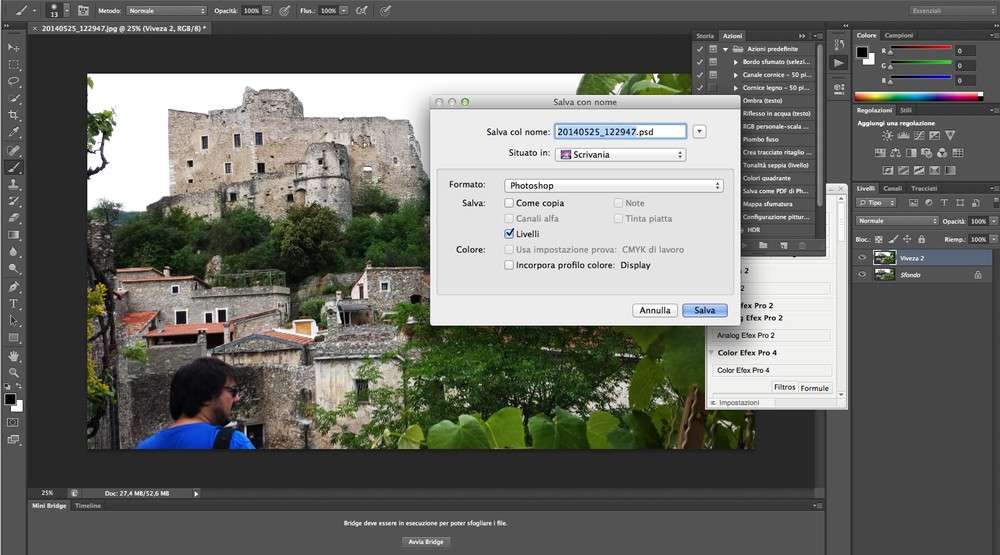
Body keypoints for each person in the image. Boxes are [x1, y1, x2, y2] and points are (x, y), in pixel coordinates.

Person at [137, 357, 255, 449]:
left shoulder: (145, 447)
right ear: (207, 396)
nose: (237, 398)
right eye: (232, 391)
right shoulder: (234, 443)